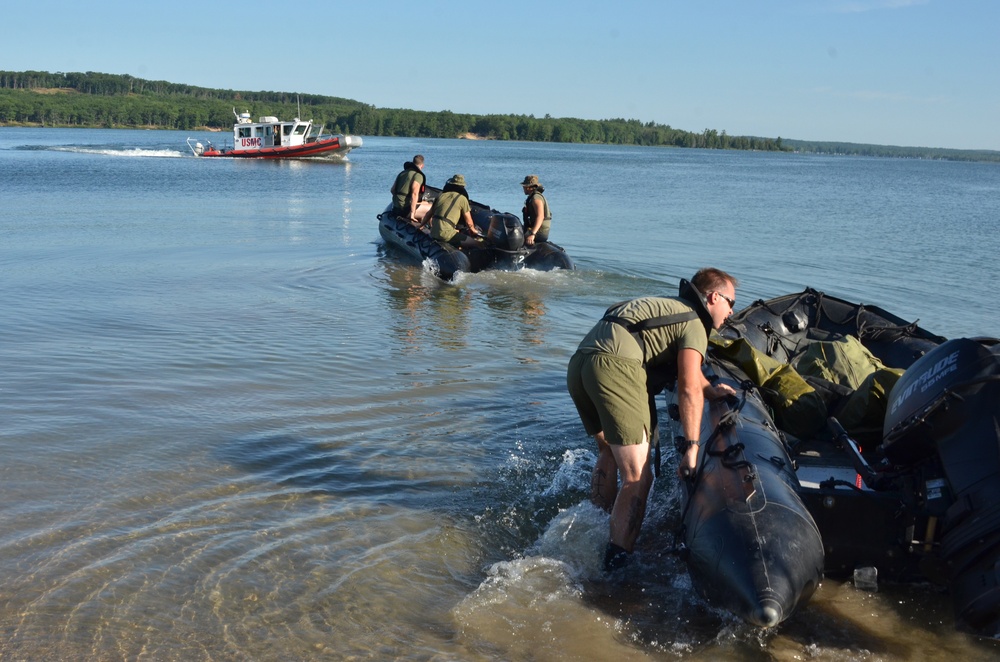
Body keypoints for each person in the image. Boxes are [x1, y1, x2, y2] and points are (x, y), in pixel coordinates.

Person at [566, 268, 739, 571]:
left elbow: (693, 375)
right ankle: (617, 566)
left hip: (581, 363)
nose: (732, 311)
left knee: (608, 450)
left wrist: (710, 390)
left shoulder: (668, 307)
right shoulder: (695, 323)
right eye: (731, 303)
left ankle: (596, 522)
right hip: (616, 367)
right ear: (714, 297)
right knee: (637, 477)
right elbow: (686, 387)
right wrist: (693, 448)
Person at [417, 174, 483, 249]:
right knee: (477, 244)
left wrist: (421, 226)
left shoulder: (441, 195)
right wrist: (474, 231)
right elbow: (469, 222)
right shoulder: (462, 199)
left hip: (433, 232)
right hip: (446, 234)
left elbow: (428, 214)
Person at [390, 155, 430, 223]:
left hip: (395, 207)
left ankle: (419, 223)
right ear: (422, 165)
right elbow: (414, 194)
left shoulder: (402, 173)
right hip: (405, 210)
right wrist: (412, 214)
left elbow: (392, 190)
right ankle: (430, 230)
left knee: (426, 203)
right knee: (432, 208)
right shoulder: (418, 176)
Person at [520, 174, 551, 246]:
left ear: (529, 187)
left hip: (540, 232)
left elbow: (540, 217)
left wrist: (532, 234)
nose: (523, 188)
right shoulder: (533, 197)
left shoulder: (536, 198)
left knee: (515, 238)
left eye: (524, 186)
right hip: (537, 229)